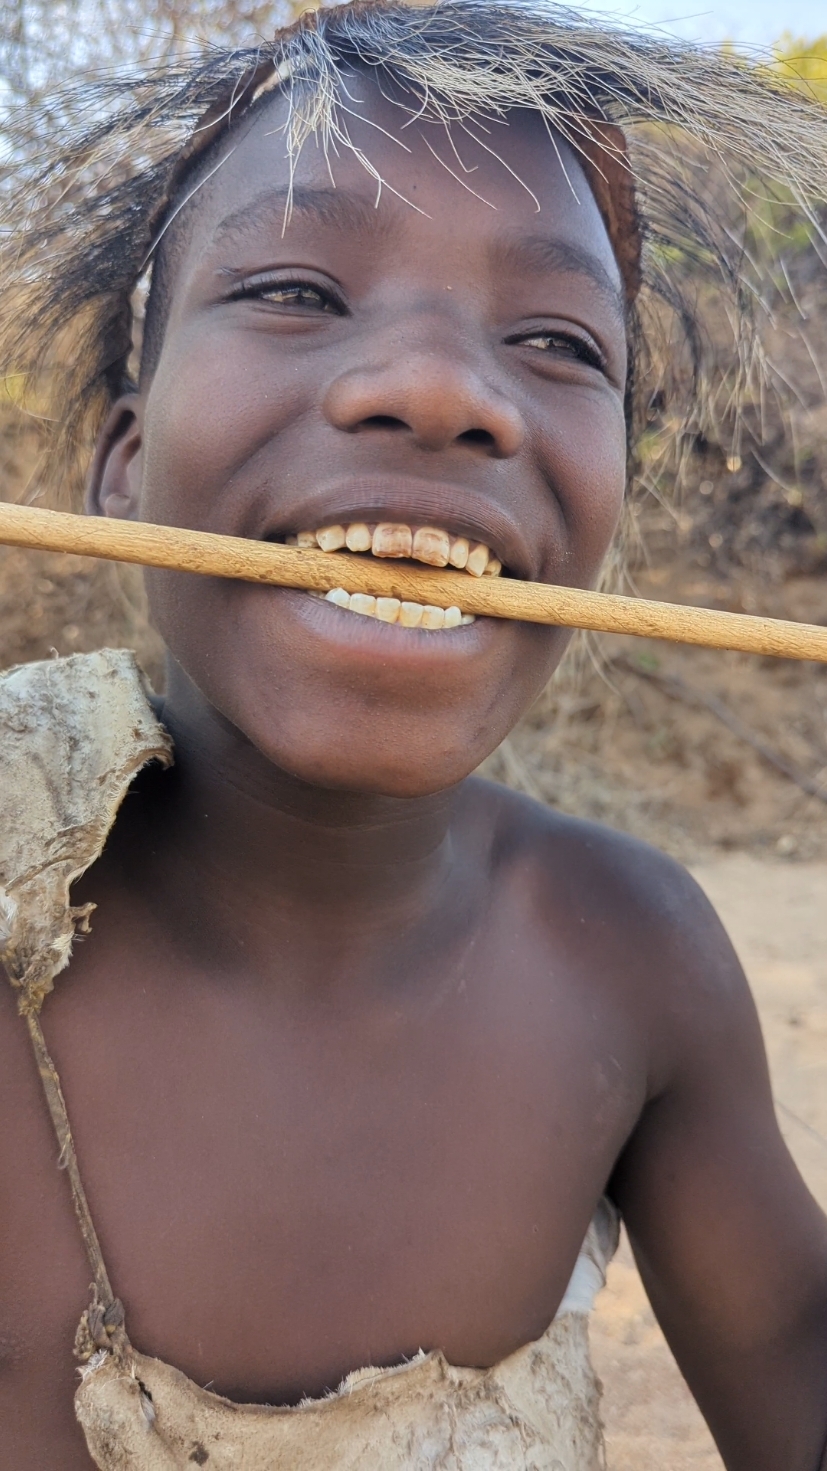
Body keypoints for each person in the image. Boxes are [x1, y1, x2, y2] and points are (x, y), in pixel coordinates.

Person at [1, 2, 827, 1466]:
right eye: (300, 293)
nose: (444, 391)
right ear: (121, 469)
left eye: (559, 339)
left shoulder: (634, 957)